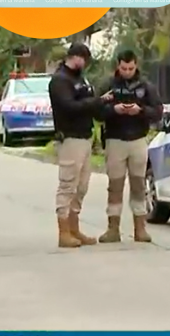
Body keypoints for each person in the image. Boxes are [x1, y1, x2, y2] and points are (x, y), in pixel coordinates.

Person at [49, 43, 113, 248]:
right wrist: (95, 102)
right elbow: (68, 107)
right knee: (68, 184)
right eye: (83, 59)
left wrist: (103, 105)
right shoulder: (60, 80)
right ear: (75, 57)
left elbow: (88, 104)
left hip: (85, 136)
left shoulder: (80, 78)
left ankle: (75, 227)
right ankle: (63, 231)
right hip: (70, 137)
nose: (84, 64)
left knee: (82, 185)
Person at [97, 50, 163, 243]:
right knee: (115, 185)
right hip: (115, 139)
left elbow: (157, 111)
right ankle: (113, 228)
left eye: (131, 68)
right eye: (124, 68)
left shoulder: (146, 86)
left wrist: (140, 110)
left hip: (137, 140)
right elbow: (96, 109)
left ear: (136, 65)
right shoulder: (108, 85)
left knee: (138, 184)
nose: (127, 71)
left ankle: (140, 228)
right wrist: (113, 110)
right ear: (118, 65)